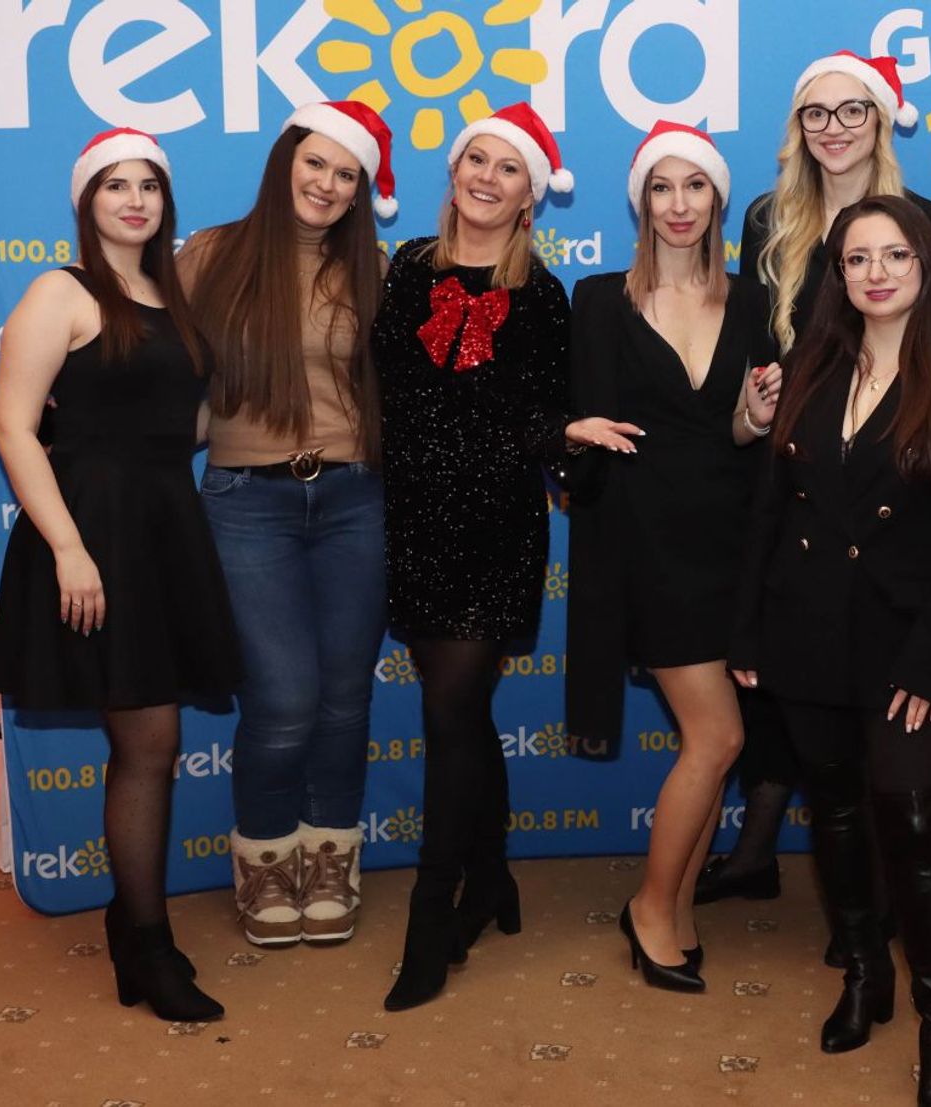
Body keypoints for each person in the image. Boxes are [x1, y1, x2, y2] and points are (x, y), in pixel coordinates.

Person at [731, 195, 931, 1106]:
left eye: (896, 254)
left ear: (929, 264)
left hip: (910, 643)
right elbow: (771, 508)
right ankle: (864, 973)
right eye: (857, 258)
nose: (877, 272)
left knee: (912, 825)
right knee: (836, 815)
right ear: (838, 276)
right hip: (806, 630)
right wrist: (746, 627)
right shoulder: (808, 366)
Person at [698, 50, 931, 924]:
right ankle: (769, 859)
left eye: (854, 110)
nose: (835, 127)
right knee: (787, 680)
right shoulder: (769, 221)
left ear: (880, 121)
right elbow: (751, 348)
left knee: (871, 700)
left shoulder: (925, 223)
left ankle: (871, 901)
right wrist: (751, 404)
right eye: (817, 112)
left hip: (888, 493)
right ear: (797, 128)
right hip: (788, 481)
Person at [0, 128, 237, 1021]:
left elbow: (182, 423)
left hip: (164, 528)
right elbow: (14, 426)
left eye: (149, 186)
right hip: (93, 532)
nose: (135, 200)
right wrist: (67, 548)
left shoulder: (173, 300)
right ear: (86, 201)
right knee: (150, 742)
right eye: (115, 186)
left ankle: (134, 934)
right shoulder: (62, 291)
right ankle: (148, 944)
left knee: (148, 745)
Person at [372, 102, 600, 1011]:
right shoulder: (406, 268)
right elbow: (385, 390)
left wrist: (566, 434)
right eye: (477, 159)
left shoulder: (541, 295)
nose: (487, 178)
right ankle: (494, 876)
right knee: (461, 714)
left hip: (496, 528)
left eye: (509, 168)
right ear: (455, 170)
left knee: (449, 713)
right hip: (414, 522)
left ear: (529, 196)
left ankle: (432, 916)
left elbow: (539, 415)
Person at [564, 123, 781, 991]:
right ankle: (651, 907)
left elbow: (741, 434)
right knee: (718, 734)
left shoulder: (754, 303)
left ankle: (679, 906)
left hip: (733, 543)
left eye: (696, 186)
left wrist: (754, 418)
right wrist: (573, 431)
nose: (679, 204)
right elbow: (582, 428)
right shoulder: (598, 300)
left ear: (717, 199)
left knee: (716, 743)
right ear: (641, 202)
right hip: (646, 546)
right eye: (663, 187)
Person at [179, 101, 395, 948]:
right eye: (316, 164)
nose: (328, 184)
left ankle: (331, 857)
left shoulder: (374, 267)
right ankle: (267, 859)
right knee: (282, 699)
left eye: (347, 174)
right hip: (248, 502)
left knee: (345, 698)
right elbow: (166, 374)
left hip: (356, 498)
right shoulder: (211, 255)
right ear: (285, 162)